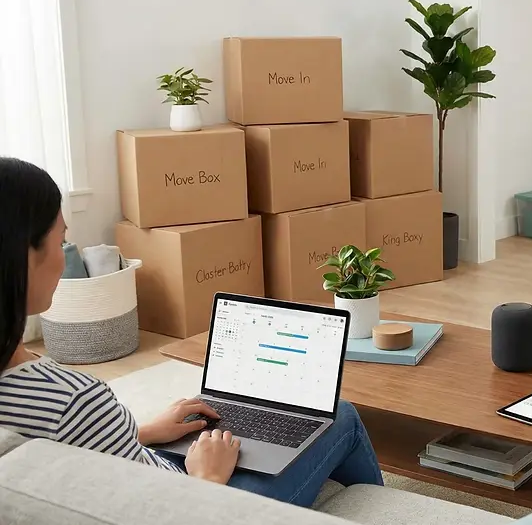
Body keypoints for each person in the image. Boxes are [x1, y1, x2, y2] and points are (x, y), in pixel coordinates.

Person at [0, 156, 383, 506]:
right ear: (25, 256)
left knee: (221, 432)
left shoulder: (37, 397)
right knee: (341, 416)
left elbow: (75, 453)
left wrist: (142, 432)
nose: (64, 253)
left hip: (150, 476)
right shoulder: (74, 400)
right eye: (61, 240)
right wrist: (207, 478)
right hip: (197, 502)